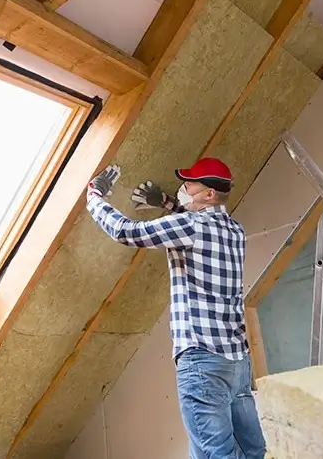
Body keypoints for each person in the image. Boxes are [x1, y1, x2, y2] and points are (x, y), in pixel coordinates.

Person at [85, 157, 267, 459]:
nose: (184, 186)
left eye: (191, 183)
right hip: (236, 363)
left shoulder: (190, 225)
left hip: (202, 362)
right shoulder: (235, 231)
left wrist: (94, 196)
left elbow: (125, 231)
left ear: (209, 194)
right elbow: (198, 228)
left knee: (217, 454)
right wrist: (168, 202)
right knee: (252, 450)